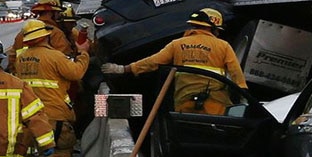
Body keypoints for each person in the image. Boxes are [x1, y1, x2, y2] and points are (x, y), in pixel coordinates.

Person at [101, 8, 246, 114]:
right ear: (213, 28)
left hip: (184, 101)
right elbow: (236, 74)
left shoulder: (177, 44)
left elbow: (153, 61)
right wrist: (244, 97)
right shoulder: (223, 46)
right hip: (215, 103)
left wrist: (123, 69)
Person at [12, 19, 89, 157]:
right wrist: (83, 54)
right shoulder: (54, 56)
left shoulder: (22, 58)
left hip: (32, 113)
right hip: (54, 112)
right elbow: (76, 72)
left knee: (46, 149)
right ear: (46, 36)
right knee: (62, 148)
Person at [6, 0, 72, 69]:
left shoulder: (23, 33)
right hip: (49, 76)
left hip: (22, 77)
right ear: (51, 13)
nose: (58, 16)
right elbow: (65, 61)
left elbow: (12, 59)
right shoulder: (56, 33)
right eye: (57, 12)